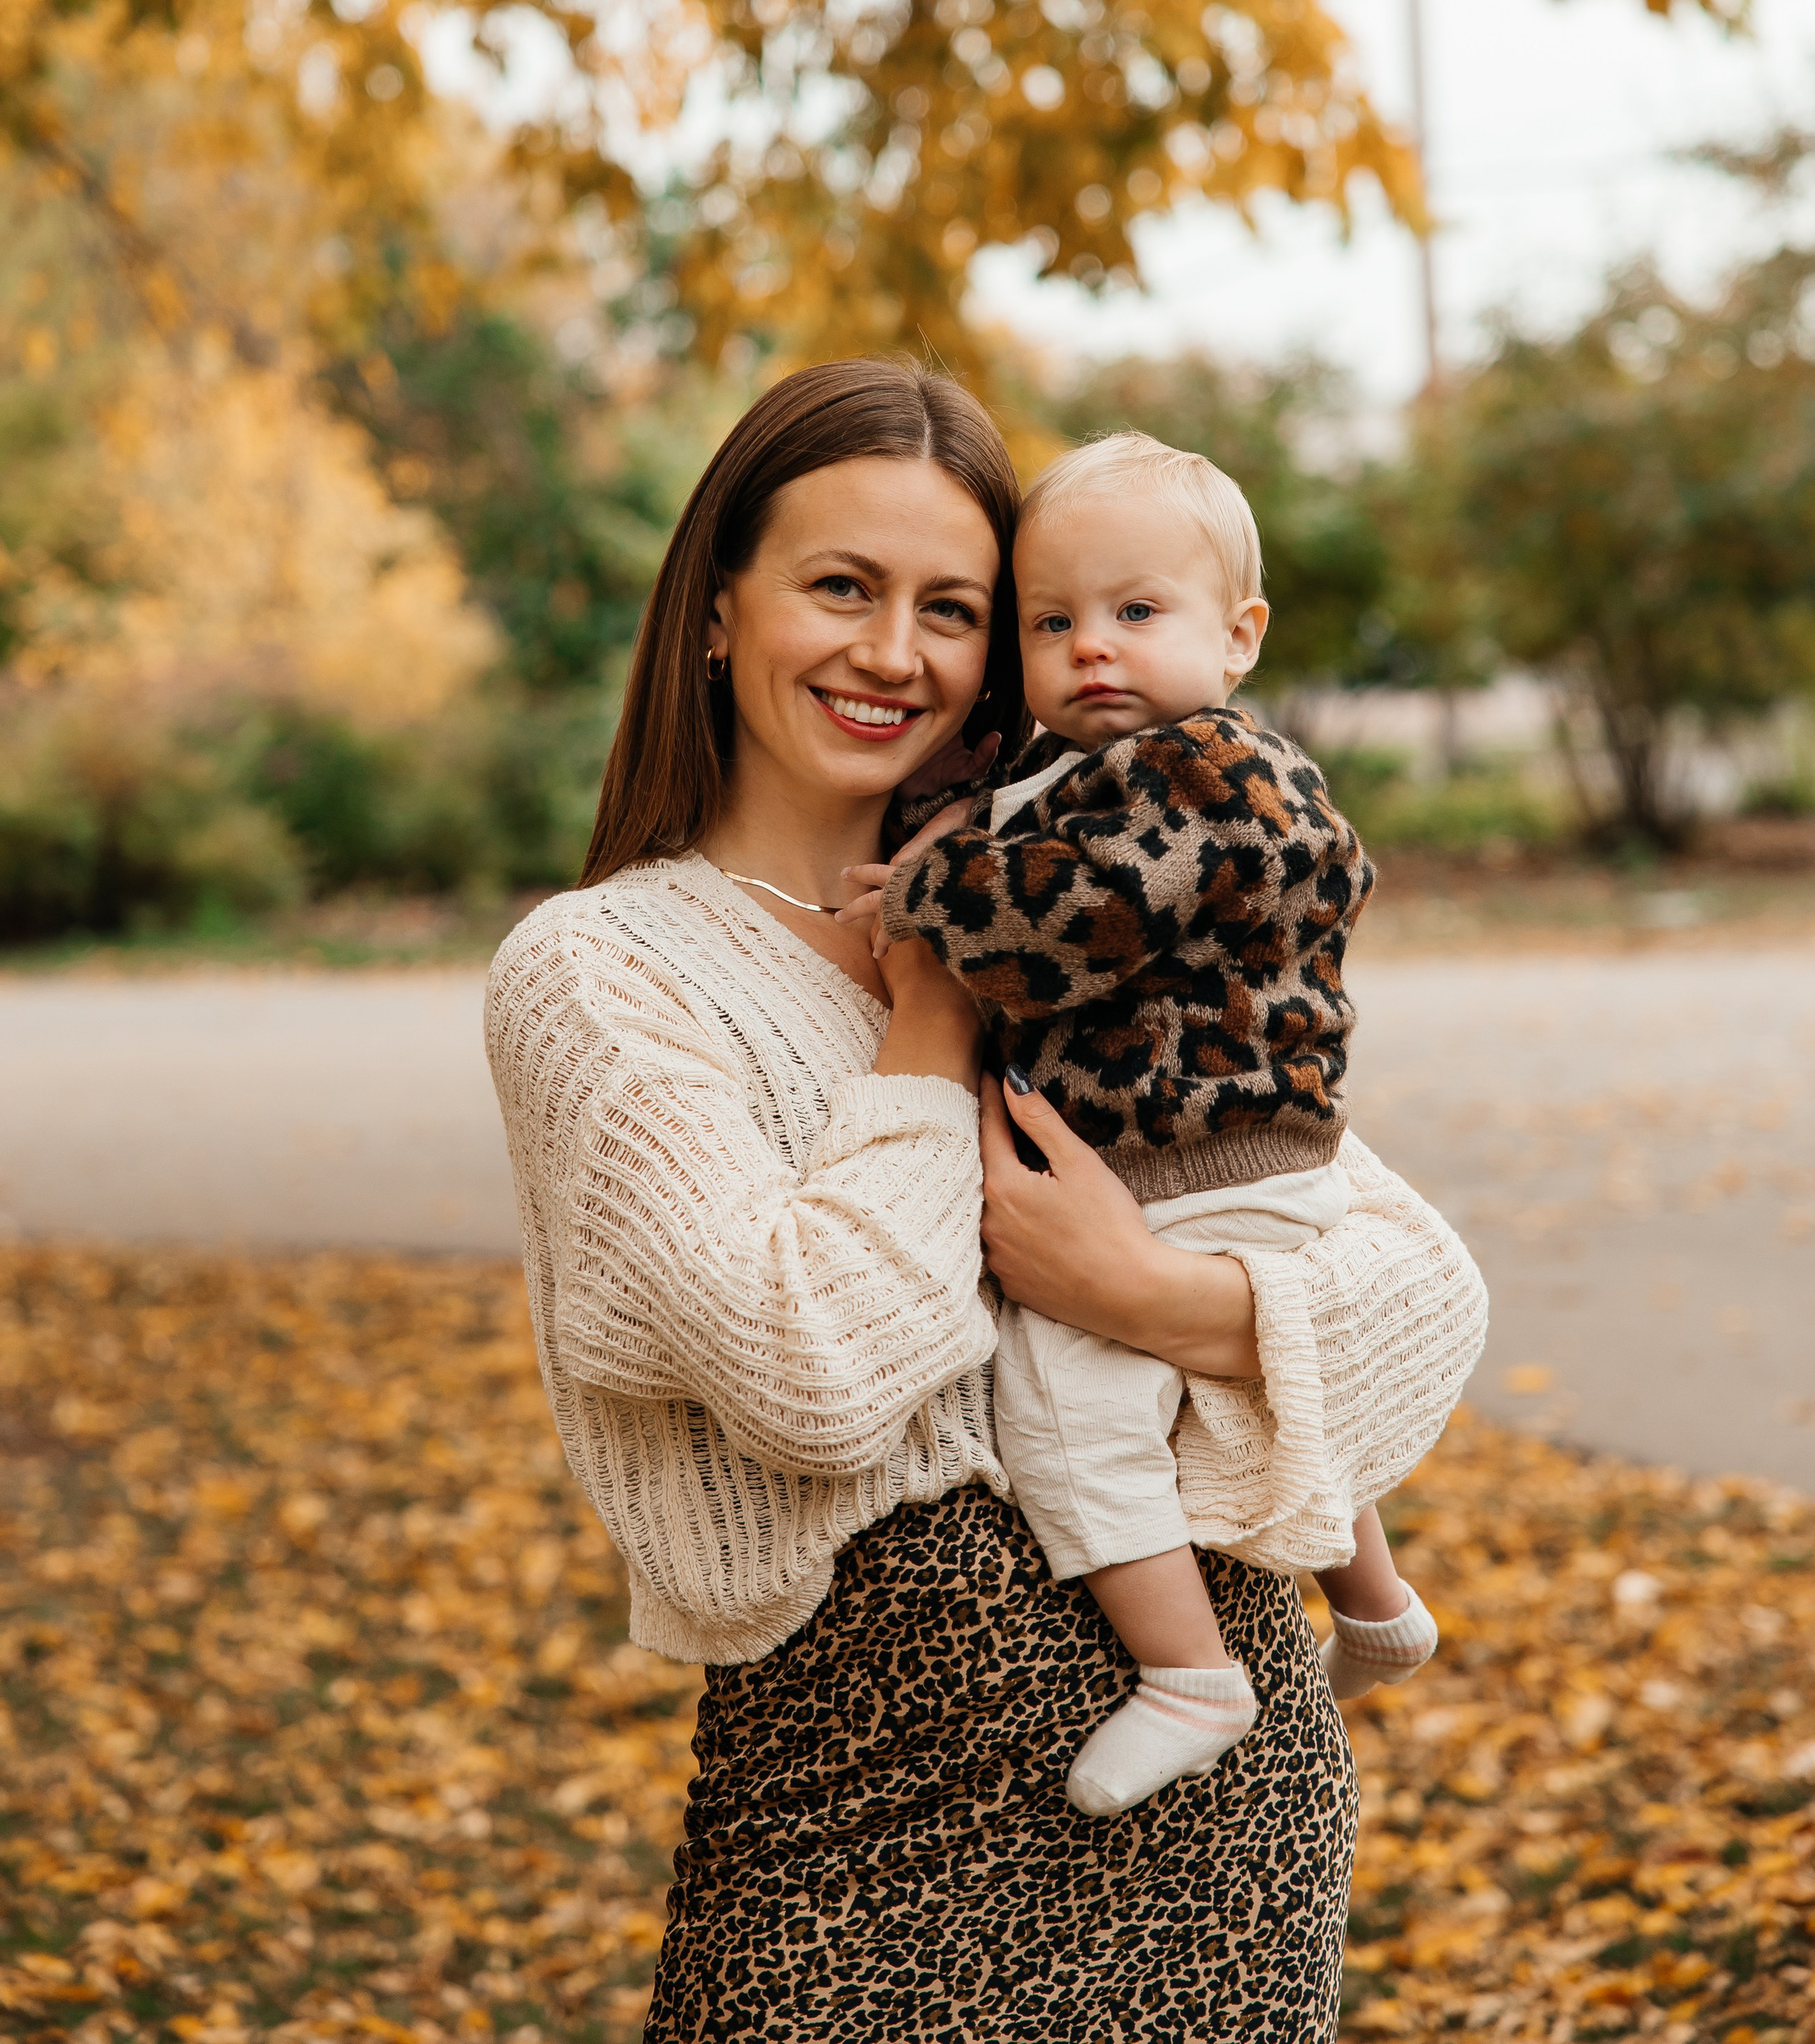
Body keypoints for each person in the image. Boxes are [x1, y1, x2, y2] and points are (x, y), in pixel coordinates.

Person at [485, 358, 1480, 2043]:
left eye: (951, 607)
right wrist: (933, 1014)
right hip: (855, 1860)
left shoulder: (1081, 907)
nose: (896, 654)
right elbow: (810, 1372)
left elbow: (1422, 1298)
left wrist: (1157, 1299)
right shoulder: (601, 974)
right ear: (717, 611)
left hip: (1221, 1852)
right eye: (839, 588)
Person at [844, 433, 1461, 1818]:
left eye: (1136, 612)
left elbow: (1071, 918)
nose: (1091, 650)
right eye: (1052, 622)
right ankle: (1374, 1601)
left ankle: (1189, 1673)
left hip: (1189, 1152)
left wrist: (924, 898)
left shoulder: (1201, 775)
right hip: (1232, 1149)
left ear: (1238, 637)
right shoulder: (1121, 777)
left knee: (1069, 1402)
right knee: (1257, 1378)